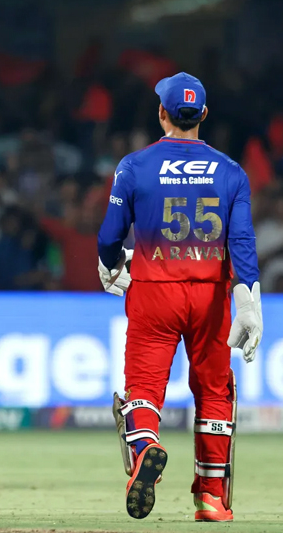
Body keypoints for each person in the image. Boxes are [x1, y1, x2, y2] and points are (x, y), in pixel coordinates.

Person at [98, 72, 262, 522]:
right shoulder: (231, 172)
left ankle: (145, 449)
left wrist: (110, 263)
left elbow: (110, 235)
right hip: (211, 297)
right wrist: (248, 300)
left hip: (154, 291)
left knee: (144, 386)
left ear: (161, 113)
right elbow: (242, 242)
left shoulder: (134, 166)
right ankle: (210, 498)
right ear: (203, 114)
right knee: (214, 390)